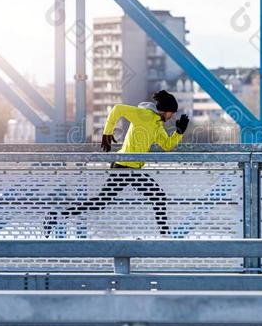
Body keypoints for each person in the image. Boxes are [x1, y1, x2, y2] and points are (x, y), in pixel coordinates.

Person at [44, 90, 190, 237]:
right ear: (165, 110)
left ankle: (165, 235)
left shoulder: (158, 125)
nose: (172, 117)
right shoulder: (143, 115)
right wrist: (107, 133)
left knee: (157, 196)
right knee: (102, 202)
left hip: (134, 170)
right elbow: (117, 109)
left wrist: (179, 132)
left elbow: (166, 145)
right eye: (172, 112)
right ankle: (56, 215)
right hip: (123, 166)